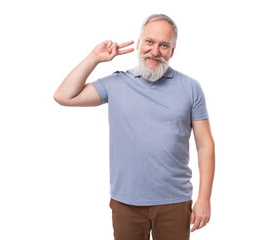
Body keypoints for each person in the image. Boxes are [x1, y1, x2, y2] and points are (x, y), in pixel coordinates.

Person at [53, 13, 215, 240]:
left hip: (175, 202)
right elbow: (63, 96)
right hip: (126, 202)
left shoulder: (190, 88)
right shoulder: (117, 83)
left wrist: (204, 198)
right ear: (139, 43)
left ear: (172, 51)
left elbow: (205, 145)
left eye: (164, 45)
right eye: (150, 42)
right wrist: (94, 58)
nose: (155, 51)